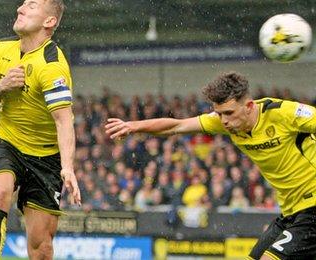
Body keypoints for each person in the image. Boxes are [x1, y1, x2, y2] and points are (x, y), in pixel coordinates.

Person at [105, 71, 316, 260]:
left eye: (229, 113)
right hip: (290, 211)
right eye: (219, 113)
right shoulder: (225, 120)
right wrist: (134, 126)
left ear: (249, 106)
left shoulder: (283, 113)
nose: (223, 121)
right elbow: (176, 126)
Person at [0, 0, 81, 259]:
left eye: (31, 6)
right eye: (22, 4)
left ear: (49, 22)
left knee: (41, 247)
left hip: (46, 158)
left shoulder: (52, 64)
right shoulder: (1, 49)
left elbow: (63, 120)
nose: (20, 8)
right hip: (6, 141)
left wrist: (67, 167)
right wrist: (2, 86)